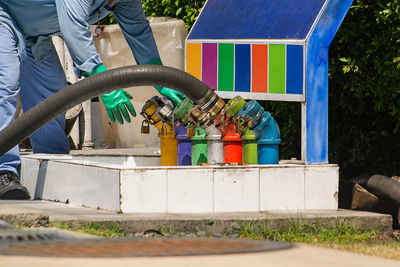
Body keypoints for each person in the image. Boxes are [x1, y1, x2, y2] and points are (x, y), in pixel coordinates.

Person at [0, 0, 185, 199]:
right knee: (5, 84)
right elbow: (73, 28)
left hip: (36, 35)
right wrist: (103, 81)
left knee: (49, 103)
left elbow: (139, 33)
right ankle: (4, 172)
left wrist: (162, 79)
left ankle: (55, 173)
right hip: (5, 15)